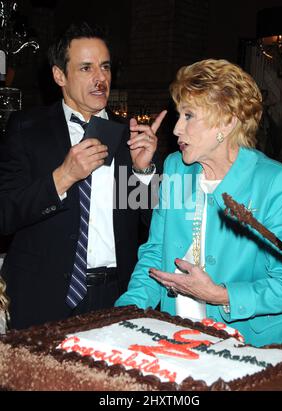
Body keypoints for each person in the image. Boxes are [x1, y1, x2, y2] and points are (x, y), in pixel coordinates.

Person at [116, 59, 282, 347]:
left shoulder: (276, 183)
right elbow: (154, 255)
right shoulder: (176, 167)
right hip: (176, 336)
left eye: (189, 116)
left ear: (227, 121)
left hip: (250, 347)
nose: (177, 129)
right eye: (179, 115)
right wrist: (125, 313)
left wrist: (222, 295)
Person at [0, 22, 167, 330]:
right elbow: (5, 215)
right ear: (59, 75)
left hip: (115, 294)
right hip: (42, 296)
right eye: (86, 68)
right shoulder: (27, 129)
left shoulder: (130, 135)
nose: (100, 78)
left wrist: (144, 172)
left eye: (104, 67)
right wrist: (62, 178)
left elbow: (155, 224)